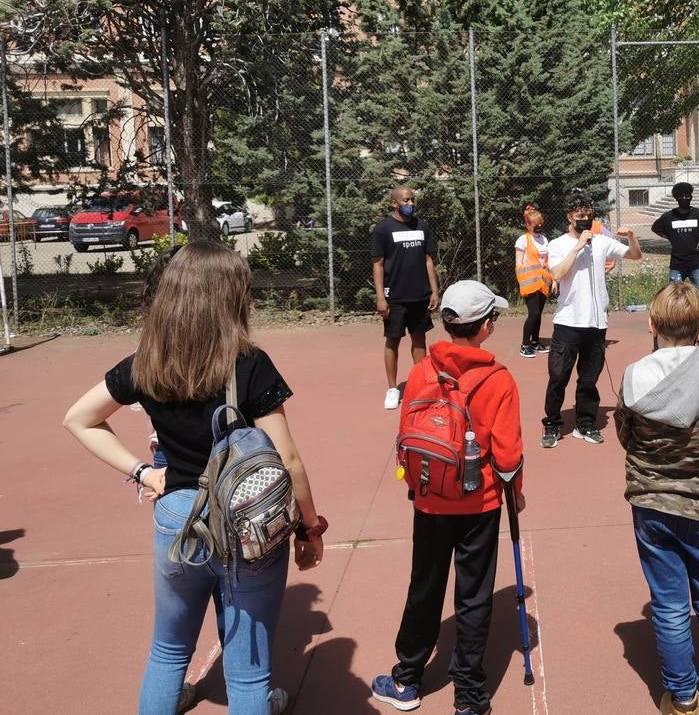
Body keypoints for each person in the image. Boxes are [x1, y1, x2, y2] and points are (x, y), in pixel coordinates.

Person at [63, 242, 323, 715]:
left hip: (177, 514)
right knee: (248, 671)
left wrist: (143, 472)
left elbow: (79, 419)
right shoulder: (247, 363)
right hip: (245, 520)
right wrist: (309, 528)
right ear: (229, 298)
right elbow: (288, 458)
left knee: (167, 651)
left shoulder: (148, 360)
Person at [372, 280, 525, 715]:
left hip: (429, 498)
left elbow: (408, 434)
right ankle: (470, 696)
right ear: (484, 328)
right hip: (481, 503)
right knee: (474, 594)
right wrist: (518, 495)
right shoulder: (500, 380)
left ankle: (406, 679)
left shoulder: (421, 370)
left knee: (425, 584)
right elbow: (509, 454)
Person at [614, 282, 699, 715]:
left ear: (651, 325)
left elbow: (624, 434)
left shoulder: (634, 375)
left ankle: (684, 698)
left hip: (652, 503)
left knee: (670, 604)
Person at [542, 189, 642, 447]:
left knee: (589, 378)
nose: (584, 219)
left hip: (596, 324)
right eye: (579, 215)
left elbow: (634, 255)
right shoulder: (557, 244)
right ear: (569, 217)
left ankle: (585, 423)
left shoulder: (602, 242)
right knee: (558, 377)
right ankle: (552, 424)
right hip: (568, 323)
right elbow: (557, 274)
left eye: (588, 215)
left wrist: (631, 237)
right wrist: (578, 246)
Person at [373, 187, 441, 410]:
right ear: (394, 203)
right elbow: (378, 264)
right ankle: (392, 389)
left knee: (419, 339)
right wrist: (381, 297)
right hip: (394, 297)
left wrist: (434, 290)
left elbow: (428, 260)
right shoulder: (383, 228)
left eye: (412, 199)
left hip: (419, 295)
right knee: (392, 340)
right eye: (406, 200)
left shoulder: (423, 226)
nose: (410, 203)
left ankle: (421, 385)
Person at [651, 182, 699, 351]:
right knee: (672, 299)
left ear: (691, 197)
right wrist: (671, 237)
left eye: (687, 196)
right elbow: (656, 228)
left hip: (696, 264)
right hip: (676, 264)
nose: (684, 199)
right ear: (676, 199)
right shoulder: (668, 217)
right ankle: (671, 332)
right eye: (681, 197)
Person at [514, 204, 553, 358]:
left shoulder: (544, 239)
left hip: (544, 281)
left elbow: (548, 260)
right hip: (530, 282)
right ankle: (525, 344)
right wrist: (523, 282)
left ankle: (535, 341)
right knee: (533, 313)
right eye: (536, 224)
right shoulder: (523, 240)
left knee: (539, 314)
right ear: (528, 224)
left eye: (541, 223)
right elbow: (519, 264)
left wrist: (553, 280)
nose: (539, 226)